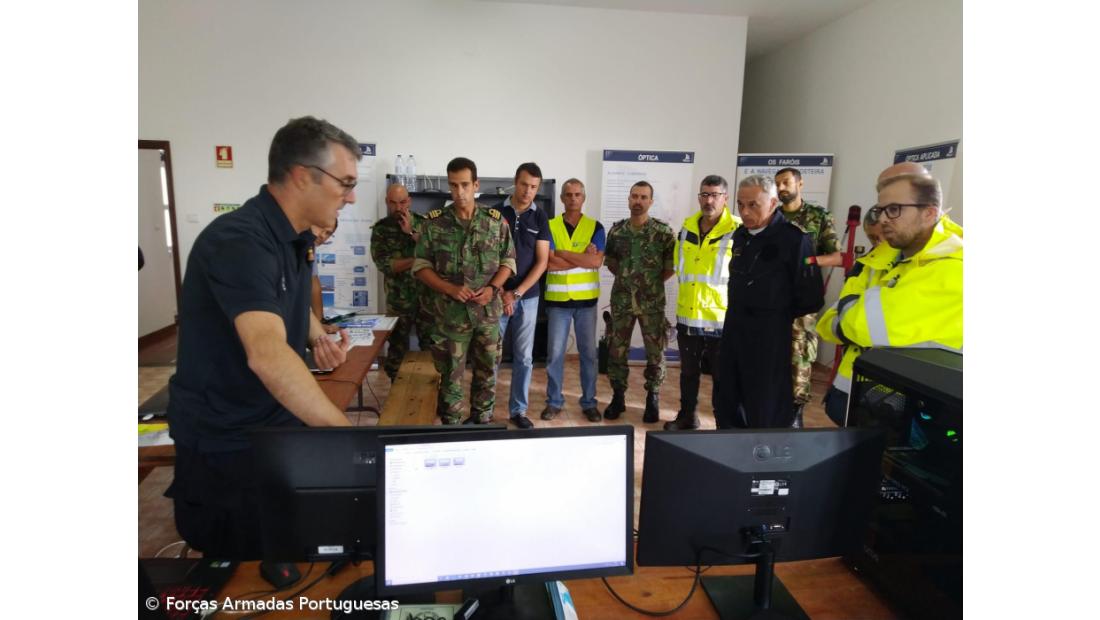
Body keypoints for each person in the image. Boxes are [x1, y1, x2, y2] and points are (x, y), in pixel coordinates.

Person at [165, 116, 358, 558]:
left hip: (274, 427)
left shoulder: (296, 238)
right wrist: (347, 435)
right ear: (302, 175)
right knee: (249, 574)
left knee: (290, 548)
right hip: (229, 443)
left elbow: (282, 302)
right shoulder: (239, 242)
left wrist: (316, 335)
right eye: (344, 183)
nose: (349, 197)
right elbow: (267, 353)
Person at [817, 165, 963, 426]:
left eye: (894, 209)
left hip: (908, 414)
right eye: (881, 209)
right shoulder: (883, 256)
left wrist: (850, 314)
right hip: (859, 396)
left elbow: (858, 324)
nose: (883, 219)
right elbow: (827, 324)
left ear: (929, 213)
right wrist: (851, 315)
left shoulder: (953, 268)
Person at [412, 157, 516, 425]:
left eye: (465, 185)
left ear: (476, 185)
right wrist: (449, 288)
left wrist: (493, 289)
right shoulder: (434, 224)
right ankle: (453, 430)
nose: (459, 192)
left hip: (487, 315)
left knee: (487, 374)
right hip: (450, 317)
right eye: (453, 185)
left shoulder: (495, 222)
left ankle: (482, 423)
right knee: (451, 378)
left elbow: (508, 261)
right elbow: (421, 266)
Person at [716, 174, 823, 429]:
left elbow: (811, 296)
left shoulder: (795, 240)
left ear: (773, 203)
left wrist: (773, 312)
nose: (745, 211)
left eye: (753, 205)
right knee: (727, 401)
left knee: (765, 409)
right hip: (735, 332)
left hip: (770, 338)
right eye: (741, 205)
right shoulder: (740, 236)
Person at [664, 175, 740, 430]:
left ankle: (723, 424)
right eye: (704, 195)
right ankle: (687, 417)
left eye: (715, 195)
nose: (709, 200)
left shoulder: (737, 230)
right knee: (688, 374)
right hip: (688, 315)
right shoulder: (687, 228)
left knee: (722, 377)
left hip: (721, 319)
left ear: (725, 198)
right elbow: (679, 267)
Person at [603, 181, 676, 423]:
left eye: (644, 197)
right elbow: (612, 262)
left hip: (652, 302)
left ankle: (652, 398)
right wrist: (629, 281)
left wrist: (647, 285)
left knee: (655, 353)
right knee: (617, 350)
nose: (638, 201)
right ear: (628, 199)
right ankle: (618, 397)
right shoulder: (617, 231)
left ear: (651, 202)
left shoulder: (663, 233)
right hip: (622, 300)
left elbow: (668, 268)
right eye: (634, 196)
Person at [775, 167, 842, 428]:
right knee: (772, 354)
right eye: (778, 183)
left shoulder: (818, 216)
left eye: (786, 182)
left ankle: (796, 412)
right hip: (772, 298)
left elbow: (837, 256)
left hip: (802, 299)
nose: (782, 187)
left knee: (800, 355)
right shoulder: (772, 216)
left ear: (800, 184)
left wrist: (804, 260)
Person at [541, 178, 605, 423]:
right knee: (555, 355)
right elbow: (549, 262)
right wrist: (581, 257)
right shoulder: (550, 225)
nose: (573, 198)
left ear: (584, 198)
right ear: (562, 198)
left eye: (577, 194)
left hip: (586, 303)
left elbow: (596, 262)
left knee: (589, 355)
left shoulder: (595, 226)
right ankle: (554, 402)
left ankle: (589, 403)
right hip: (558, 304)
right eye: (568, 194)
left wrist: (563, 255)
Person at [496, 163, 551, 428]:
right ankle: (482, 409)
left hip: (527, 298)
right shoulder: (496, 213)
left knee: (524, 357)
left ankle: (518, 410)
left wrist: (516, 293)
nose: (528, 191)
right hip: (496, 295)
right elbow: (487, 260)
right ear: (515, 183)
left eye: (533, 187)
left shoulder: (539, 218)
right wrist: (501, 292)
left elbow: (541, 262)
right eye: (524, 184)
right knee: (489, 355)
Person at [371, 183, 428, 381]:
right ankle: (398, 393)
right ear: (387, 202)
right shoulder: (381, 230)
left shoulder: (424, 224)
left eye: (402, 202)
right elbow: (385, 265)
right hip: (398, 302)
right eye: (393, 203)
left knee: (432, 350)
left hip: (426, 301)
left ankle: (431, 396)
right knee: (396, 354)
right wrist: (417, 261)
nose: (398, 208)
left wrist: (412, 233)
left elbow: (437, 256)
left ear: (409, 201)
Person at [309, 221, 340, 334]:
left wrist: (320, 322)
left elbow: (313, 282)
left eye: (328, 233)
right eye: (321, 229)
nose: (322, 236)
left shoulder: (310, 247)